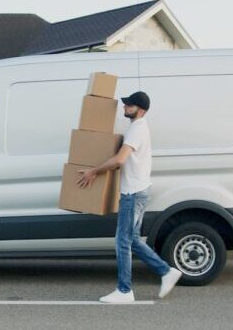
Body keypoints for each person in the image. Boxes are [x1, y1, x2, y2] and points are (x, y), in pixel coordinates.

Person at [76, 91, 182, 303]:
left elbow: (119, 160)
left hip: (133, 193)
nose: (125, 107)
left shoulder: (137, 129)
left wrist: (93, 171)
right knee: (131, 240)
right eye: (125, 104)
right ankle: (166, 271)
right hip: (139, 190)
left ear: (140, 110)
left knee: (122, 241)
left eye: (129, 105)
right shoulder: (136, 127)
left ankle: (125, 291)